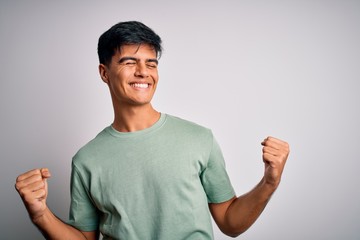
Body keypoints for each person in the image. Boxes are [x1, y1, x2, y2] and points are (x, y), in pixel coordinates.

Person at [15, 21, 290, 240]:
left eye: (151, 63)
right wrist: (41, 215)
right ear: (104, 72)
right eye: (129, 62)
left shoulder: (199, 139)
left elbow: (230, 222)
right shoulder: (87, 160)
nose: (143, 72)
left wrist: (269, 182)